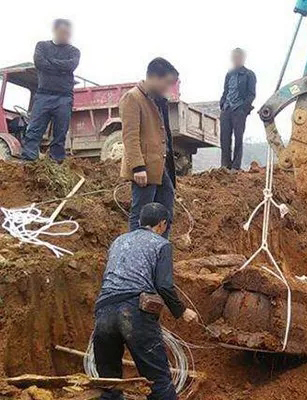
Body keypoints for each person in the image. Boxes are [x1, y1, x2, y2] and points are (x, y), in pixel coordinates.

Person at [93, 202, 198, 400]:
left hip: (103, 310)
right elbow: (164, 285)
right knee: (158, 381)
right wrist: (182, 311)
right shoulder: (161, 244)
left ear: (140, 221)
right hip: (134, 311)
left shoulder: (119, 241)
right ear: (162, 224)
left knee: (109, 383)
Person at [120, 58, 178, 238]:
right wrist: (138, 167)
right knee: (140, 216)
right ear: (153, 77)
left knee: (166, 212)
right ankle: (136, 256)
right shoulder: (133, 98)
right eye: (166, 83)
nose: (167, 88)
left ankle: (160, 252)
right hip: (144, 170)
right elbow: (130, 136)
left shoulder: (158, 100)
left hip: (160, 168)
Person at [21, 19, 80, 162]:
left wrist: (50, 62)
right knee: (34, 129)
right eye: (62, 32)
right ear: (55, 31)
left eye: (68, 33)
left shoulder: (74, 51)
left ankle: (57, 162)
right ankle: (29, 160)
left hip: (64, 97)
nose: (65, 35)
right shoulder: (42, 46)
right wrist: (60, 68)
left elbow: (70, 66)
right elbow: (39, 62)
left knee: (60, 133)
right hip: (43, 94)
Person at [219, 48, 256, 170]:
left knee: (238, 138)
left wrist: (244, 109)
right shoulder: (229, 74)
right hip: (227, 109)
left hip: (239, 109)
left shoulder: (249, 74)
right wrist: (223, 103)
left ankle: (236, 167)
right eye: (234, 57)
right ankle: (225, 165)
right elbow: (226, 91)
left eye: (238, 57)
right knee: (224, 138)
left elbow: (251, 94)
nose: (236, 60)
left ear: (243, 58)